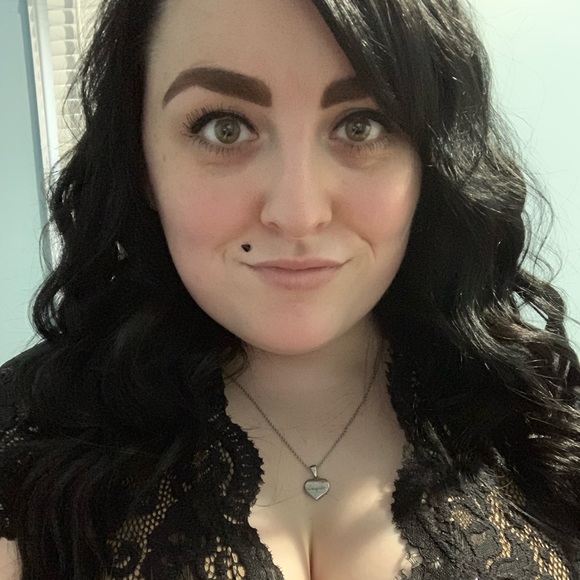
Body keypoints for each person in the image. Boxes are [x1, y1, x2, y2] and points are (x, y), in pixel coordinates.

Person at [0, 0, 579, 577]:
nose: (299, 214)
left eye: (362, 125)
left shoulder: (542, 412)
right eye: (224, 128)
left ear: (429, 159)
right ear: (142, 163)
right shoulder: (26, 439)